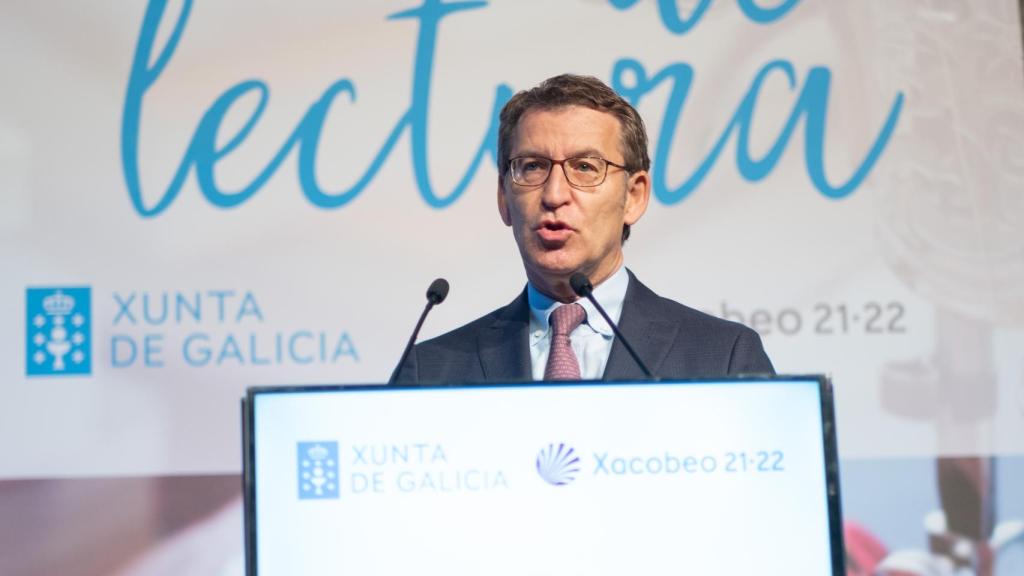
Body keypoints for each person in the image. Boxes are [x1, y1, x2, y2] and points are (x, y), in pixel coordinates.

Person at [396, 74, 773, 383]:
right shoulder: (430, 371)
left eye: (585, 167)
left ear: (634, 196)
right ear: (503, 197)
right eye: (532, 167)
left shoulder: (724, 357)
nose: (554, 194)